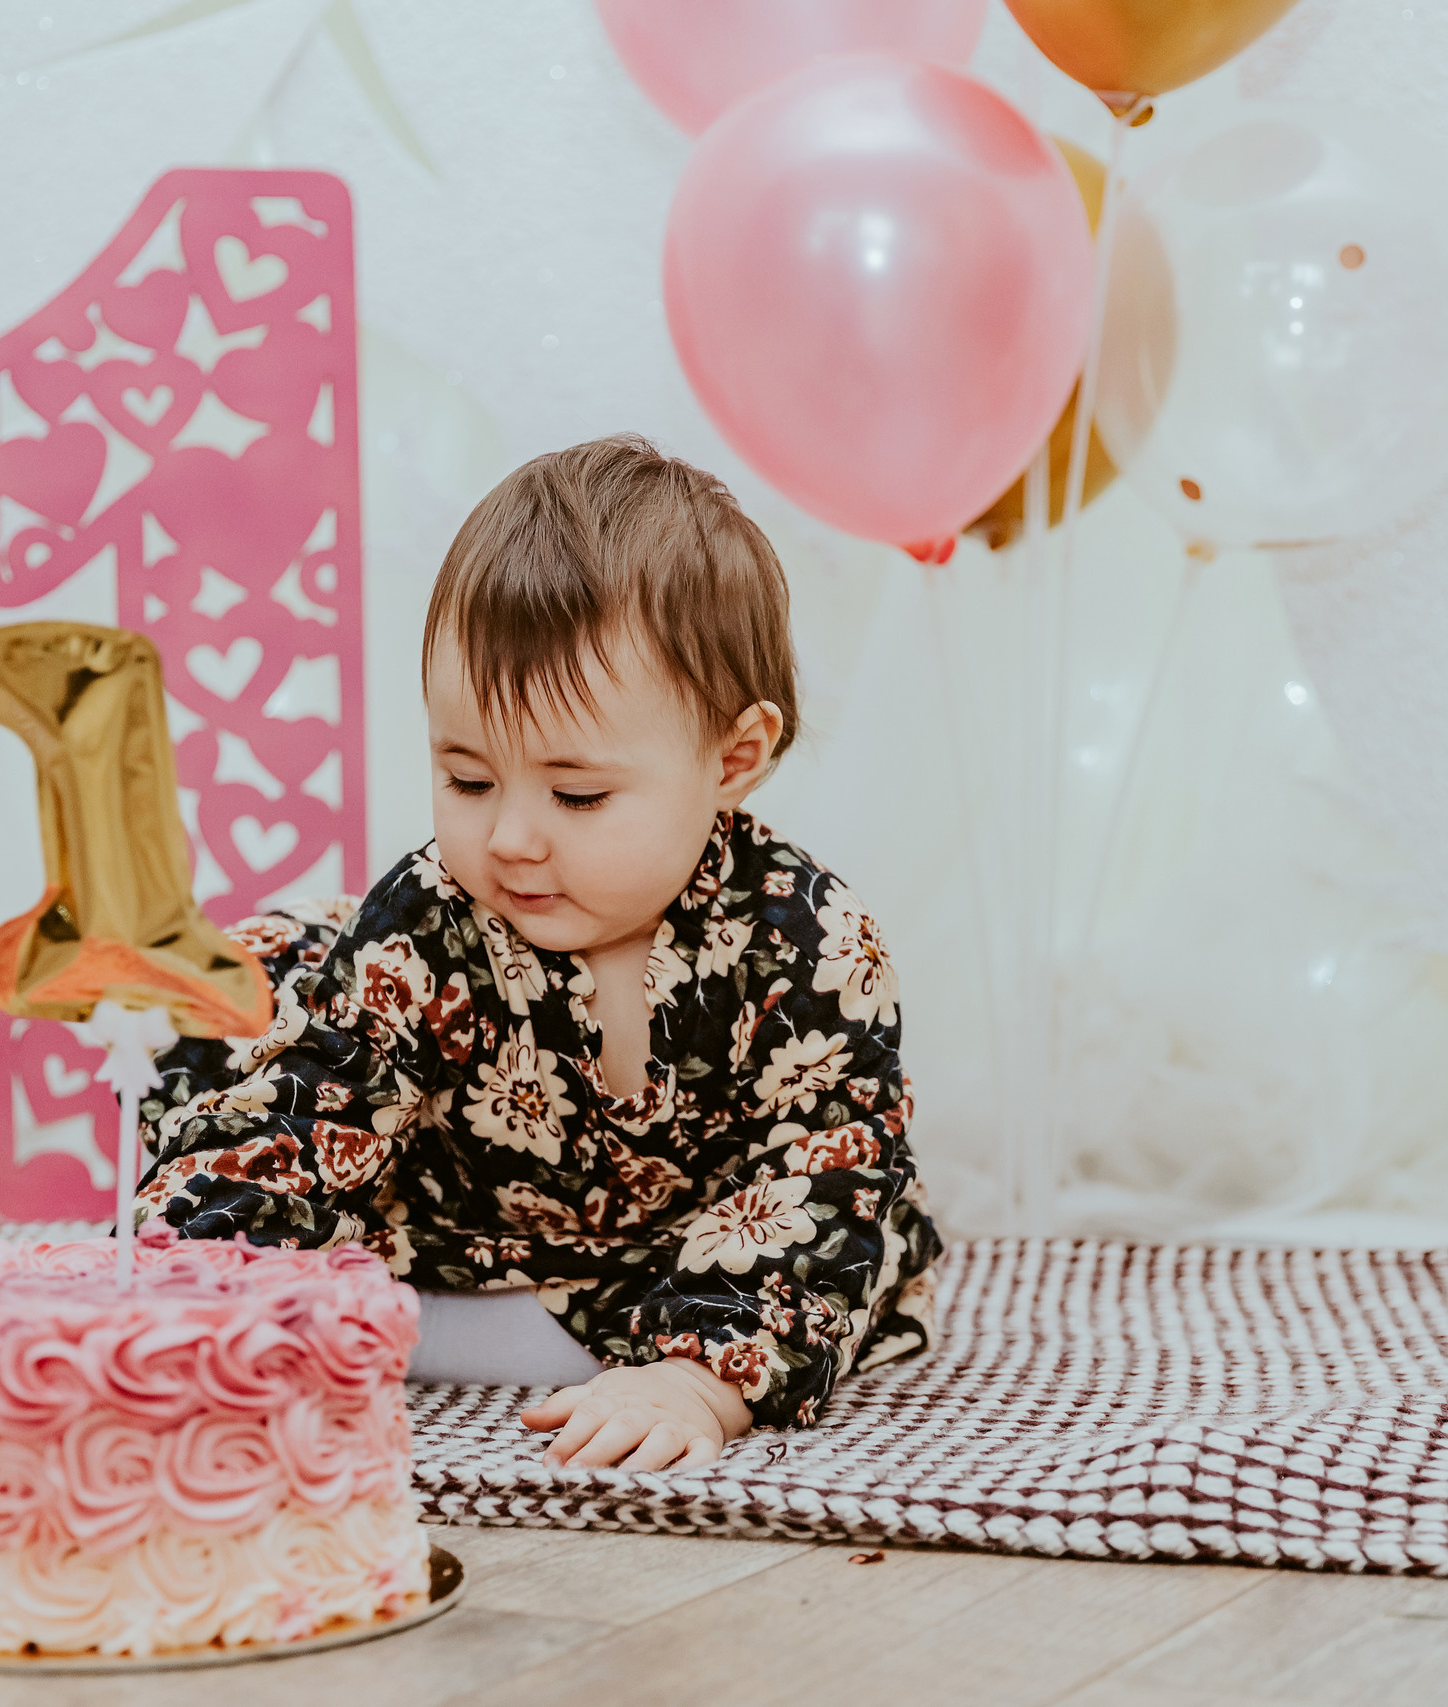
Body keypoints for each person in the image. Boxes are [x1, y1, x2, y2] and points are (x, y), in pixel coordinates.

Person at [138, 435, 942, 1471]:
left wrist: (698, 1379)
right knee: (268, 992)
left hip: (679, 1258)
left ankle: (621, 1341)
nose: (512, 837)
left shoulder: (803, 942)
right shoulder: (434, 915)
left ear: (732, 760)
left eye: (578, 796)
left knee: (848, 1225)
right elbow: (310, 1107)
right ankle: (358, 1311)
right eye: (468, 779)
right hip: (442, 1234)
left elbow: (817, 1173)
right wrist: (206, 1300)